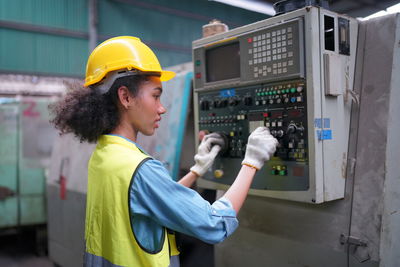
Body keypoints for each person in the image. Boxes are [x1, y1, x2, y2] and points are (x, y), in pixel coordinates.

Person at [50, 36, 278, 267]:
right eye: (156, 96)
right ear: (125, 97)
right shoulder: (139, 168)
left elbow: (153, 200)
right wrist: (252, 161)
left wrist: (196, 171)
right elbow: (215, 225)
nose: (162, 108)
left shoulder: (105, 155)